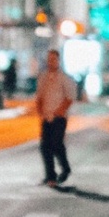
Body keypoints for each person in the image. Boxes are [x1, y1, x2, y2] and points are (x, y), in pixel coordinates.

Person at [35, 48, 76, 186]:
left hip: (59, 117)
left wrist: (59, 112)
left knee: (56, 144)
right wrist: (40, 110)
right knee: (45, 146)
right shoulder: (43, 77)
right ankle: (50, 175)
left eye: (53, 59)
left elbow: (69, 98)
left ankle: (65, 168)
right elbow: (39, 96)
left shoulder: (64, 78)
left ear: (58, 61)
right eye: (49, 59)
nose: (50, 62)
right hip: (46, 117)